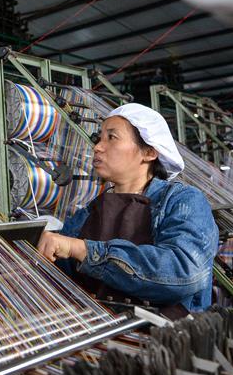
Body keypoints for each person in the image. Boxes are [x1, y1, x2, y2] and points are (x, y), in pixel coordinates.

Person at [37, 103, 218, 313]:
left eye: (112, 138)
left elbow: (184, 271)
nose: (97, 147)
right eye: (99, 138)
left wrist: (82, 249)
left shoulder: (182, 201)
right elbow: (59, 274)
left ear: (149, 152)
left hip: (164, 337)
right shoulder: (88, 212)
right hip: (103, 334)